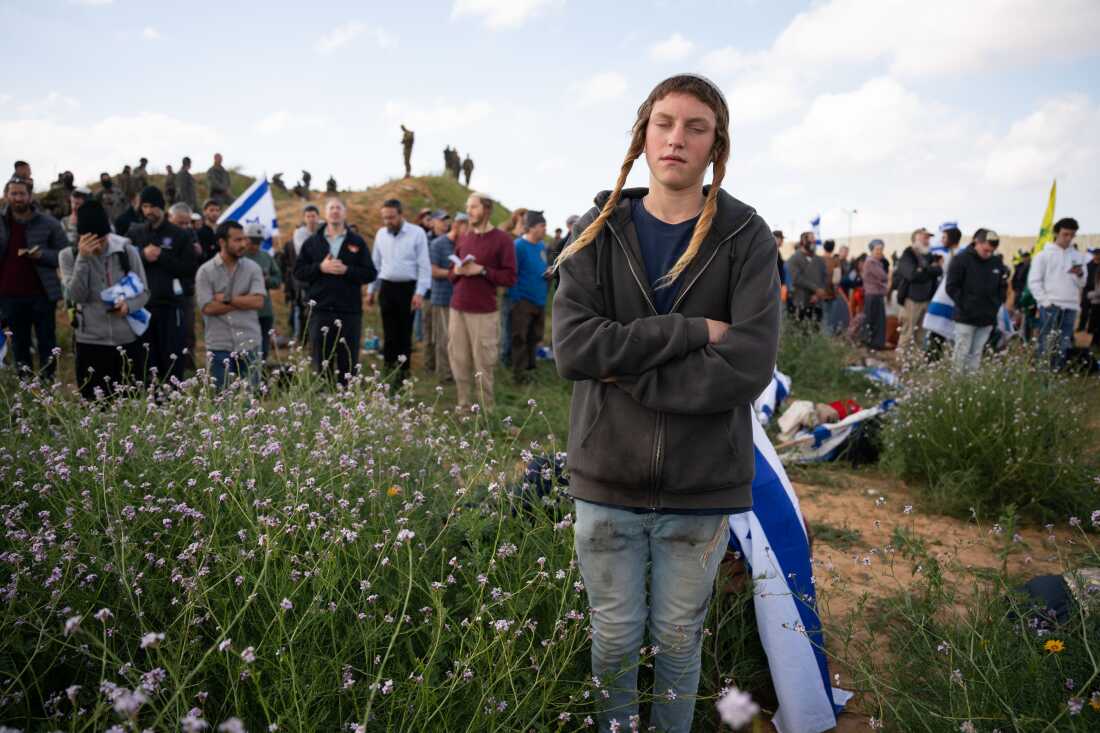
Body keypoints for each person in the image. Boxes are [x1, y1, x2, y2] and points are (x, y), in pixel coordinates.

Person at [551, 74, 780, 733]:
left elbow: (747, 363)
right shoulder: (596, 229)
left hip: (702, 482)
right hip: (607, 476)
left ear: (716, 148)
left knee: (679, 644)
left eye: (696, 127)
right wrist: (686, 332)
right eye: (664, 122)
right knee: (615, 641)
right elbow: (572, 349)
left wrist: (627, 371)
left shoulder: (745, 236)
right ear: (643, 136)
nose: (677, 137)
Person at [58, 199, 149, 400]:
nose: (99, 244)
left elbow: (144, 293)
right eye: (92, 239)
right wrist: (83, 258)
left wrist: (128, 306)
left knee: (130, 404)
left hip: (127, 340)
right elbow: (75, 296)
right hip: (90, 342)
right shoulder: (68, 256)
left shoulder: (127, 252)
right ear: (81, 236)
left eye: (102, 238)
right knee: (94, 406)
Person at [294, 197, 377, 385]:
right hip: (320, 310)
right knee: (321, 359)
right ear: (325, 213)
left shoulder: (357, 241)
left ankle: (347, 401)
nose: (335, 211)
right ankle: (322, 399)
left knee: (347, 359)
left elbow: (370, 273)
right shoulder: (312, 242)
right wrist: (320, 268)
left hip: (349, 311)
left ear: (345, 212)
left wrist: (348, 270)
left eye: (339, 207)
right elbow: (298, 272)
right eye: (331, 208)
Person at [447, 192, 517, 411]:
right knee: (459, 359)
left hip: (484, 312)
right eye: (468, 207)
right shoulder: (464, 237)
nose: (469, 211)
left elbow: (510, 278)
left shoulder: (503, 240)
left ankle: (487, 411)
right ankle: (464, 406)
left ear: (487, 209)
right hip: (457, 308)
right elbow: (452, 275)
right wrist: (457, 270)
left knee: (483, 362)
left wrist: (483, 270)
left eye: (474, 207)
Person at [126, 186, 194, 384]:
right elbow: (122, 261)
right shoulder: (135, 232)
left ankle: (173, 399)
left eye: (152, 207)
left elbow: (189, 268)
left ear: (162, 208)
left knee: (171, 357)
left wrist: (162, 257)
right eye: (145, 206)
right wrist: (142, 255)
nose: (148, 211)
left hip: (170, 308)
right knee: (146, 360)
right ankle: (150, 402)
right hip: (141, 308)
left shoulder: (180, 235)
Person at [0, 176, 67, 378]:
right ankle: (26, 388)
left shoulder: (49, 223)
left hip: (42, 295)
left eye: (22, 194)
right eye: (14, 193)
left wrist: (41, 255)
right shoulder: (1, 222)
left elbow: (65, 256)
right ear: (6, 196)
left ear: (30, 196)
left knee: (47, 342)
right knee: (20, 344)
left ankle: (48, 385)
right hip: (9, 295)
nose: (18, 198)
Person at [364, 199, 431, 385]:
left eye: (392, 217)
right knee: (389, 333)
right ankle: (387, 374)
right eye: (385, 218)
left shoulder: (416, 233)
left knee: (404, 334)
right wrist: (371, 290)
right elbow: (376, 264)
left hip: (408, 289)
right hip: (386, 288)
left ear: (401, 215)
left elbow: (424, 265)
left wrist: (419, 292)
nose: (388, 222)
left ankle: (402, 378)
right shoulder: (381, 234)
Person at [195, 220, 266, 389]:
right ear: (222, 242)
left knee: (250, 403)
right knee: (221, 403)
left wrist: (227, 299)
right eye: (237, 240)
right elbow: (207, 308)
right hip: (219, 346)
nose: (243, 244)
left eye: (244, 239)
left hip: (249, 343)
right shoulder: (205, 272)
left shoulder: (253, 268)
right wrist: (243, 300)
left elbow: (258, 301)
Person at [945, 229, 1008, 372]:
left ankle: (970, 385)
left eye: (992, 251)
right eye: (986, 250)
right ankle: (956, 386)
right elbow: (951, 287)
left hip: (987, 318)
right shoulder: (961, 260)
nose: (989, 254)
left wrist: (995, 306)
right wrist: (966, 305)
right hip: (965, 317)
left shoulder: (996, 262)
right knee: (961, 353)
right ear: (977, 243)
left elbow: (1002, 287)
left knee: (976, 353)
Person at [1029, 217, 1086, 370]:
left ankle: (1056, 373)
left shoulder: (1078, 256)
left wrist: (1080, 274)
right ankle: (1043, 375)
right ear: (1056, 233)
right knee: (1046, 342)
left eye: (1072, 235)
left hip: (1071, 306)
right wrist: (1045, 302)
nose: (1068, 238)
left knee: (1064, 343)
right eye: (1065, 234)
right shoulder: (1043, 255)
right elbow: (1034, 282)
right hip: (1050, 305)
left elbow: (1083, 283)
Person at [508, 210, 551, 383]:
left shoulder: (542, 246)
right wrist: (517, 297)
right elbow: (513, 274)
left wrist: (548, 272)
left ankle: (531, 370)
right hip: (523, 300)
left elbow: (539, 266)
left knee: (535, 337)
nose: (545, 230)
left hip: (539, 299)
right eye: (542, 226)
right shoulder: (518, 246)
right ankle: (518, 374)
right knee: (520, 337)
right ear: (532, 228)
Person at [428, 213, 467, 383]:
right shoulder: (438, 244)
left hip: (460, 298)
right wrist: (455, 272)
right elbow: (433, 271)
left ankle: (455, 371)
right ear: (457, 226)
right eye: (466, 229)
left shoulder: (464, 244)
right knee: (444, 338)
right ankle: (444, 375)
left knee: (457, 339)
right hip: (442, 298)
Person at [166, 202, 204, 373]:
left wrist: (197, 252)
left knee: (188, 331)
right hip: (164, 293)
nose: (184, 227)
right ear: (170, 219)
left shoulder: (191, 235)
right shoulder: (163, 236)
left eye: (187, 223)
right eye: (179, 223)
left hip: (187, 291)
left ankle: (188, 366)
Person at [895, 227, 942, 352]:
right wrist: (929, 270)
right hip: (912, 301)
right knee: (907, 334)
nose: (928, 240)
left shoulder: (929, 255)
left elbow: (939, 271)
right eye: (924, 237)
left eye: (928, 237)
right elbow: (911, 275)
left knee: (921, 337)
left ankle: (916, 366)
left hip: (927, 300)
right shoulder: (908, 254)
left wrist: (923, 269)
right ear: (916, 238)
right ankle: (900, 365)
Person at [239, 223, 281, 363]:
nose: (255, 245)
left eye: (258, 241)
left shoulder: (266, 257)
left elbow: (277, 280)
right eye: (252, 240)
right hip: (244, 310)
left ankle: (261, 375)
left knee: (263, 348)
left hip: (264, 311)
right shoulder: (239, 257)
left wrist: (267, 280)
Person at [282, 203, 322, 341]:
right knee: (302, 308)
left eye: (313, 216)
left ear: (318, 217)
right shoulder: (299, 233)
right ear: (304, 218)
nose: (311, 219)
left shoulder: (325, 228)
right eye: (308, 216)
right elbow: (304, 253)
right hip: (304, 278)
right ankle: (301, 337)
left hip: (322, 276)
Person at [499, 208, 529, 367]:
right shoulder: (506, 236)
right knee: (507, 326)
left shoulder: (528, 238)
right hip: (508, 289)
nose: (527, 219)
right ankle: (504, 360)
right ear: (517, 217)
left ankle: (516, 359)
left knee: (519, 327)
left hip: (524, 291)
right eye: (525, 216)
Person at [787, 231, 826, 323]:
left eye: (814, 241)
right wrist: (816, 289)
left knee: (816, 329)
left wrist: (819, 293)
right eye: (811, 241)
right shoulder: (794, 259)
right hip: (802, 300)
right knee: (802, 330)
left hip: (817, 302)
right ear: (803, 242)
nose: (813, 243)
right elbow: (797, 279)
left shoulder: (819, 259)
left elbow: (824, 277)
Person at [861, 240, 889, 350]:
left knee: (876, 320)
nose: (880, 251)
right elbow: (883, 276)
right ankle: (871, 343)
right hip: (873, 295)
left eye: (881, 249)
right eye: (877, 249)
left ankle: (874, 343)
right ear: (872, 250)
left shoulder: (876, 262)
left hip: (876, 294)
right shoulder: (871, 262)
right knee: (873, 320)